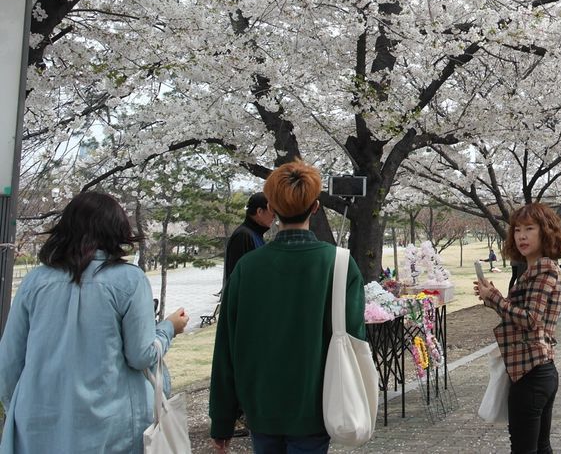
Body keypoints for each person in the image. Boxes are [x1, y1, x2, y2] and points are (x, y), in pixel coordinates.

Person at [0, 190, 189, 454]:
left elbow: (9, 360)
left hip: (39, 426)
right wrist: (169, 328)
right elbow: (140, 355)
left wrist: (16, 412)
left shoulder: (35, 282)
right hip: (111, 428)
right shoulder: (129, 280)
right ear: (116, 230)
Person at [209, 159, 365, 454]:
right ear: (315, 207)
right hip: (316, 406)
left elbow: (226, 346)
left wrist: (222, 419)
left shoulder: (247, 268)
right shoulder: (340, 265)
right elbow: (355, 338)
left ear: (273, 207)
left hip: (261, 408)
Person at [473, 202, 561, 454]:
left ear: (545, 231)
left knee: (524, 449)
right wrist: (492, 297)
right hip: (538, 370)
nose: (521, 236)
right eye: (517, 230)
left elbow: (529, 319)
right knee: (539, 447)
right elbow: (523, 316)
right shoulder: (535, 269)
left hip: (531, 373)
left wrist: (493, 298)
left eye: (529, 228)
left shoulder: (543, 269)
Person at [223, 191, 273, 291]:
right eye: (272, 210)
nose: (274, 215)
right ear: (259, 211)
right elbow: (238, 279)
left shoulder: (254, 234)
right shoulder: (243, 236)